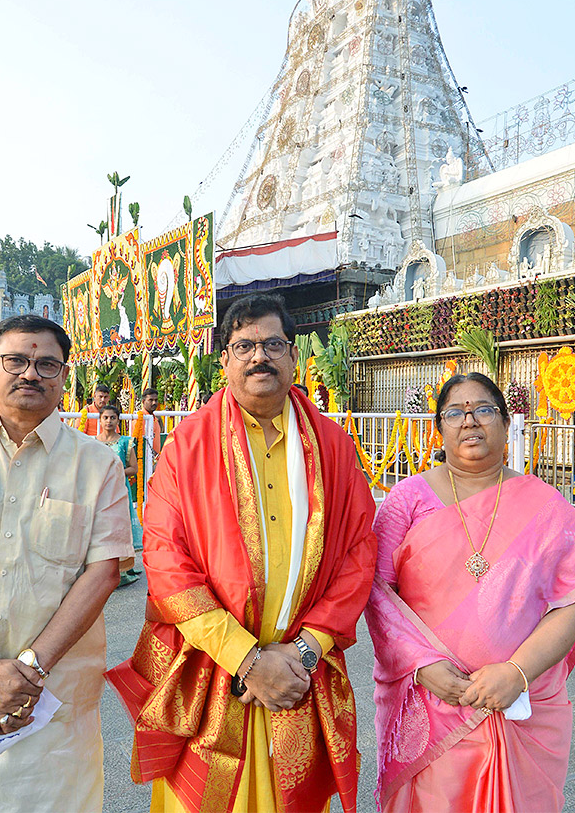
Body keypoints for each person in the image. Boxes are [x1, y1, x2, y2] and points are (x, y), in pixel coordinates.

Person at [107, 293, 377, 813]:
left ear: (294, 356)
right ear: (225, 362)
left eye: (273, 344)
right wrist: (247, 660)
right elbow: (166, 563)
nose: (260, 357)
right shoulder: (186, 448)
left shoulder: (334, 447)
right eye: (244, 346)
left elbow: (358, 554)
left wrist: (304, 651)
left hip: (301, 672)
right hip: (214, 670)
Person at [0, 313, 134, 812]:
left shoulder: (97, 464)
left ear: (64, 376)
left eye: (47, 364)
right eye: (16, 360)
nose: (30, 374)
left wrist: (27, 671)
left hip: (50, 707)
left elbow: (104, 572)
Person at [367, 372, 575, 812]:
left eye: (484, 409)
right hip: (431, 700)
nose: (470, 421)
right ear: (438, 429)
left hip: (521, 702)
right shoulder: (406, 501)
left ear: (506, 425)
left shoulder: (545, 506)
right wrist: (421, 667)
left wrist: (517, 673)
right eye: (455, 412)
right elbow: (375, 593)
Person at [97, 403, 142, 586]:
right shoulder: (92, 442)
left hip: (118, 491)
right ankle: (99, 571)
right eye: (105, 417)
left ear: (118, 420)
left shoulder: (125, 442)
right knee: (101, 530)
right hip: (99, 493)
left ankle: (123, 571)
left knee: (119, 529)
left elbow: (134, 468)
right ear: (100, 420)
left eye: (112, 418)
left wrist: (115, 471)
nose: (109, 421)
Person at [141, 387, 161, 477]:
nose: (154, 403)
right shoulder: (140, 419)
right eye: (151, 400)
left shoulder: (154, 418)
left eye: (156, 400)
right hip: (144, 461)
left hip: (154, 461)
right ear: (143, 401)